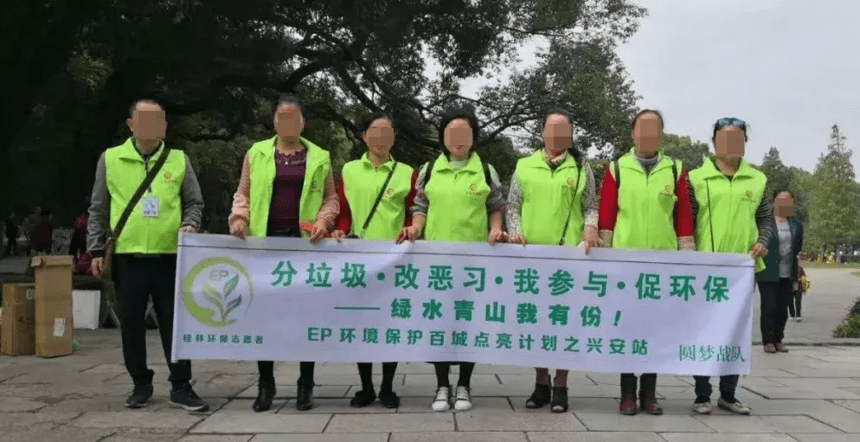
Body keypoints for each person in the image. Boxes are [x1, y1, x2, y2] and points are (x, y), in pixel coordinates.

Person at [87, 99, 208, 411]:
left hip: (170, 256)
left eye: (158, 120)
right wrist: (96, 249)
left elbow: (194, 202)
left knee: (174, 324)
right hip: (128, 256)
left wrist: (191, 223)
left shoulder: (178, 159)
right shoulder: (111, 159)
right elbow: (98, 208)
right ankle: (140, 383)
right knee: (131, 323)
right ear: (131, 125)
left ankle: (181, 385)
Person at [229, 94, 338, 412]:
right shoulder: (256, 153)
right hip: (265, 246)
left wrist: (323, 220)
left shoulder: (319, 157)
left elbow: (331, 198)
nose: (288, 123)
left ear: (303, 123)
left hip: (305, 246)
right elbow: (243, 193)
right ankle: (266, 384)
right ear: (274, 122)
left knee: (306, 316)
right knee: (264, 317)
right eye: (282, 118)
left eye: (294, 118)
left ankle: (306, 383)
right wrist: (239, 218)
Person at [405, 108, 506, 412]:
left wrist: (496, 227)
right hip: (436, 262)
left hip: (474, 262)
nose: (458, 139)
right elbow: (420, 206)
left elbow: (496, 205)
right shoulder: (429, 170)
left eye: (464, 132)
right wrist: (416, 228)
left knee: (468, 322)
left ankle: (463, 385)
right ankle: (441, 385)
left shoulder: (485, 170)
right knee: (439, 321)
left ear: (473, 137)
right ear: (443, 136)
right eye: (452, 132)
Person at [598, 109, 695, 416]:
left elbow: (683, 215)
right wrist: (605, 255)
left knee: (654, 329)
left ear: (661, 135)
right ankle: (627, 393)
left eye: (654, 129)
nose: (648, 134)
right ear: (633, 133)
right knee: (628, 328)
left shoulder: (675, 169)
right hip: (625, 261)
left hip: (661, 262)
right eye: (642, 128)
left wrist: (686, 254)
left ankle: (649, 393)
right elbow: (607, 213)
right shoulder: (617, 168)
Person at [505, 109, 599, 413]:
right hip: (531, 258)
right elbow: (512, 206)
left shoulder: (582, 168)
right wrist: (515, 232)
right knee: (536, 322)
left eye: (563, 131)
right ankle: (540, 382)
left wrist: (590, 228)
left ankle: (561, 385)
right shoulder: (524, 165)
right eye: (551, 129)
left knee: (563, 322)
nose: (557, 135)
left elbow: (591, 206)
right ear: (543, 132)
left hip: (569, 260)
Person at [687, 117, 774, 416]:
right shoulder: (696, 178)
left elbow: (765, 219)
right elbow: (688, 219)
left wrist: (762, 242)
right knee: (703, 329)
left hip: (742, 270)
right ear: (714, 142)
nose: (731, 144)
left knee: (735, 330)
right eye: (724, 139)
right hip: (704, 267)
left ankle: (728, 393)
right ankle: (701, 394)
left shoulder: (758, 179)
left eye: (737, 138)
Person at [330, 112, 416, 409]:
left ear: (394, 138)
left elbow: (413, 212)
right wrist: (340, 230)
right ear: (364, 136)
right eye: (374, 132)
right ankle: (366, 387)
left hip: (394, 260)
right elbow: (343, 210)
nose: (380, 138)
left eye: (386, 132)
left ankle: (387, 387)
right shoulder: (350, 170)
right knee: (361, 323)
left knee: (390, 323)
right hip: (358, 260)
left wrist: (411, 229)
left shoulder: (406, 173)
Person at [758, 189, 804, 353]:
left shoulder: (796, 225)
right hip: (768, 272)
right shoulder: (766, 223)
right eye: (781, 199)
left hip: (787, 273)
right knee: (769, 308)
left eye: (788, 200)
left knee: (782, 309)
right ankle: (768, 341)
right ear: (774, 201)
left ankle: (778, 339)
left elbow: (797, 248)